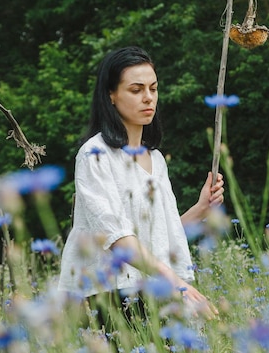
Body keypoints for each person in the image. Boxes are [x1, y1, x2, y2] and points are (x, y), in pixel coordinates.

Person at [58, 46, 223, 331]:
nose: (148, 97)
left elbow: (155, 237)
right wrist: (177, 284)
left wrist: (200, 210)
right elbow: (118, 239)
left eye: (153, 88)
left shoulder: (155, 160)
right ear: (111, 95)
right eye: (136, 90)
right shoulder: (95, 154)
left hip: (152, 287)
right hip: (108, 292)